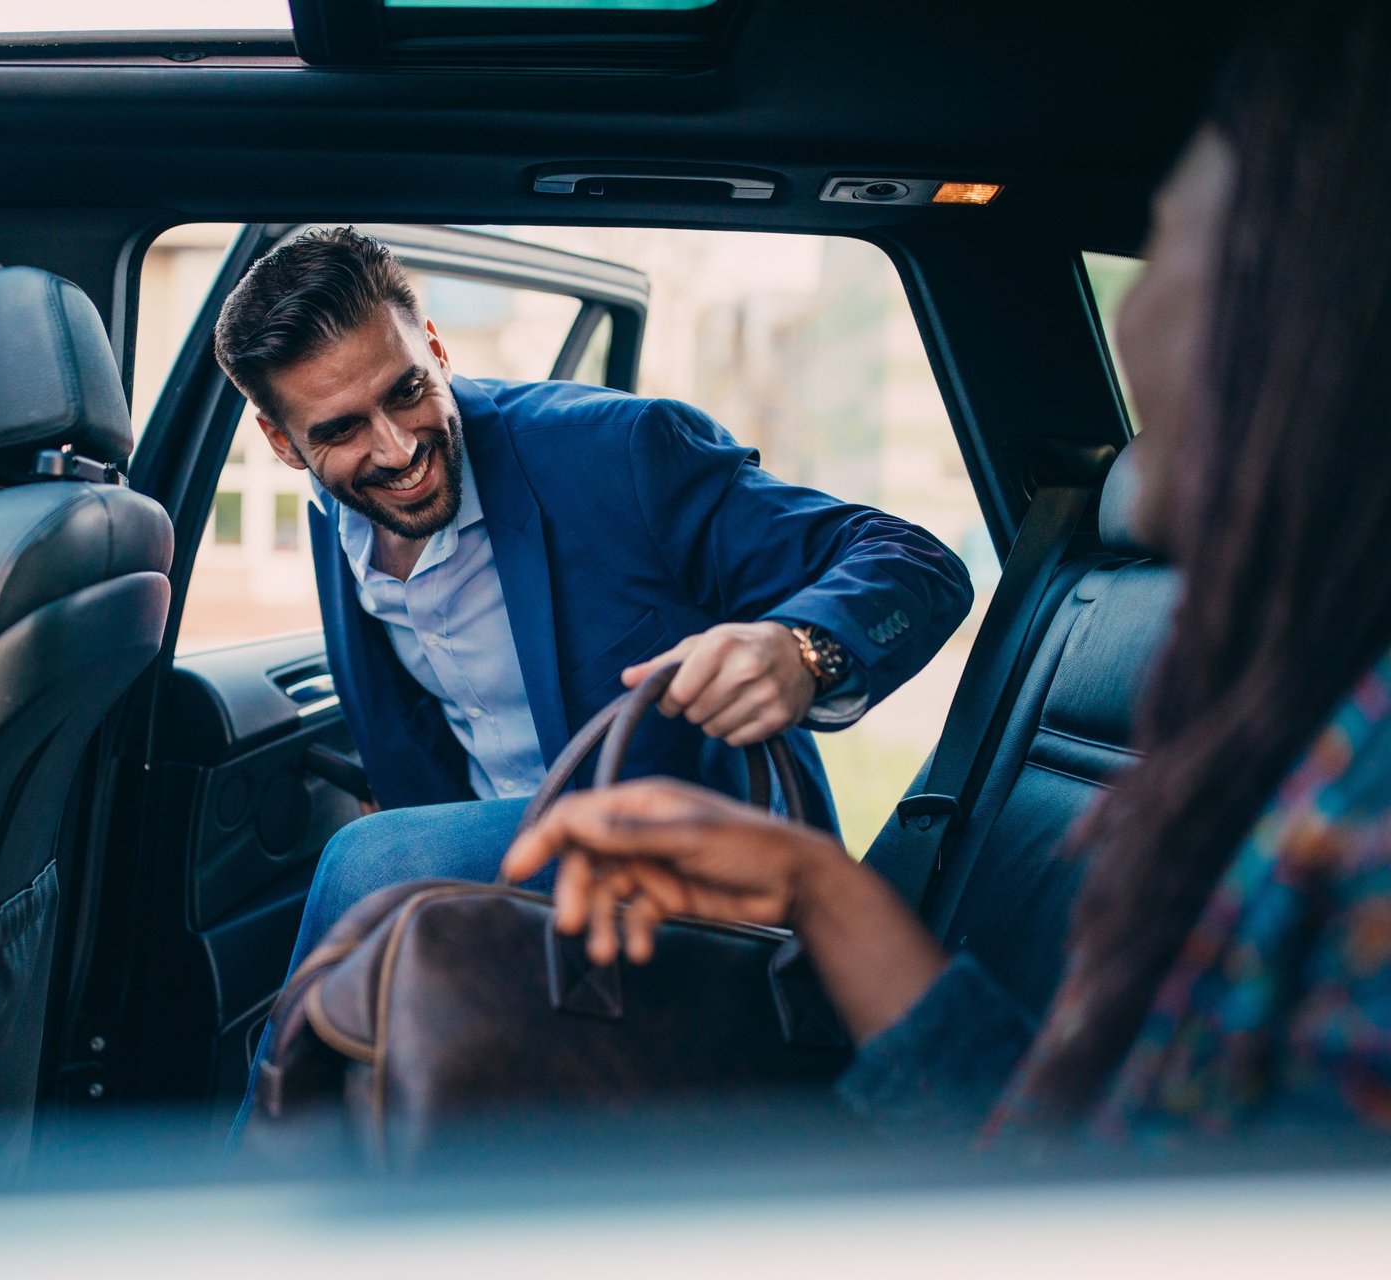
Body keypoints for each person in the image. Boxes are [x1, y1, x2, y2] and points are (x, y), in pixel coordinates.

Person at [500, 0, 1391, 1138]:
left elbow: (1116, 1224)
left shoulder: (1363, 831)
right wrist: (813, 884)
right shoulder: (1307, 724)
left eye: (1167, 248)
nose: (1135, 314)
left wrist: (804, 644)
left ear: (1299, 318)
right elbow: (1069, 1149)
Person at [212, 228, 974, 975]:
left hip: (682, 890)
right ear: (284, 444)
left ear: (436, 350)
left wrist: (804, 650)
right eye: (342, 429)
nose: (397, 449)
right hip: (502, 905)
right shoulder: (334, 509)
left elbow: (916, 562)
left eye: (407, 391)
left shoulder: (623, 453)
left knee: (373, 864)